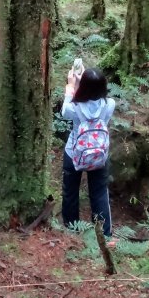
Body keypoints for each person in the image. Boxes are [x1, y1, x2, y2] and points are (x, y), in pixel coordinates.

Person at [60, 67, 116, 238]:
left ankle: (72, 229)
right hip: (99, 154)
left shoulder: (74, 108)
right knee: (99, 192)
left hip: (74, 153)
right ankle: (104, 234)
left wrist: (71, 86)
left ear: (82, 87)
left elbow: (64, 111)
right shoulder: (110, 104)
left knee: (70, 191)